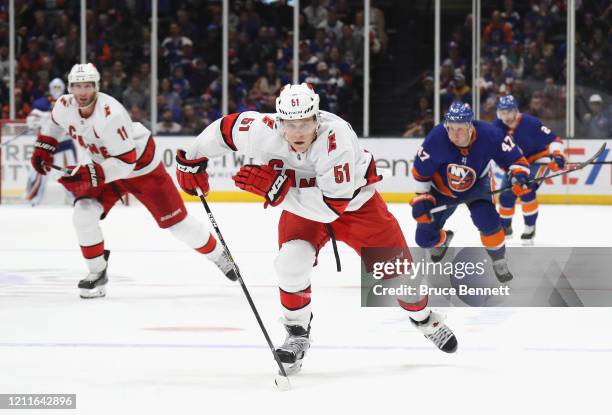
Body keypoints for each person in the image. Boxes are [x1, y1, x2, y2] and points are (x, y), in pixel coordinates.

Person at [175, 83, 458, 375]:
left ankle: (425, 319)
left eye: (306, 123)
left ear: (317, 119)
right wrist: (192, 159)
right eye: (291, 124)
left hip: (356, 208)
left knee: (402, 282)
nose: (298, 131)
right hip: (302, 208)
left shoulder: (338, 139)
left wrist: (278, 193)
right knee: (289, 262)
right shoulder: (261, 130)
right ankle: (297, 334)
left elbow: (331, 207)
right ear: (279, 121)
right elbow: (225, 129)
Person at [30, 63, 236, 299]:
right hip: (105, 164)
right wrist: (45, 145)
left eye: (88, 86)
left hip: (141, 169)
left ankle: (219, 255)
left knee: (178, 225)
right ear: (70, 88)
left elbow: (126, 163)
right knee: (83, 213)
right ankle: (97, 273)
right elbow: (55, 125)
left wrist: (90, 174)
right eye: (78, 86)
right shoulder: (64, 106)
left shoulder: (111, 114)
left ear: (96, 87)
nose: (83, 92)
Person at [410, 102, 531, 282]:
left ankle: (499, 258)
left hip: (477, 186)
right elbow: (421, 174)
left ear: (470, 126)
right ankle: (443, 239)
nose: (454, 134)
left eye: (459, 129)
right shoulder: (436, 138)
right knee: (423, 238)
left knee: (488, 222)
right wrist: (422, 199)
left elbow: (516, 160)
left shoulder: (491, 134)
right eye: (450, 128)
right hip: (441, 190)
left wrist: (518, 175)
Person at [492, 95, 565, 243]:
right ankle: (505, 227)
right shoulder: (496, 127)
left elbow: (554, 140)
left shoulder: (531, 123)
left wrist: (557, 155)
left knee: (526, 188)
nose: (505, 116)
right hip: (515, 164)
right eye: (502, 112)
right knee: (506, 196)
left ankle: (529, 227)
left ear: (515, 111)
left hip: (538, 160)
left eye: (508, 112)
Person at [25, 78, 78, 206]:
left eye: (59, 87)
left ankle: (75, 199)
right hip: (46, 144)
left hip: (65, 143)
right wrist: (37, 120)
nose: (57, 91)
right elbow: (31, 121)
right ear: (50, 88)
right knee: (39, 171)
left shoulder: (71, 102)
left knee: (71, 172)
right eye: (54, 88)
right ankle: (33, 198)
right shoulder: (41, 103)